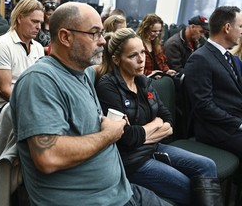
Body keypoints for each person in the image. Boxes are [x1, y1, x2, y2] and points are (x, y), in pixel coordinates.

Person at [10, 1, 172, 206]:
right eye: (95, 33)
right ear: (65, 37)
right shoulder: (40, 80)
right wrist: (109, 135)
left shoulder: (81, 71)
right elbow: (48, 157)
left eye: (102, 33)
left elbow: (99, 66)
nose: (103, 41)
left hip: (119, 191)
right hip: (87, 200)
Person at [95, 27, 222, 206]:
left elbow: (168, 120)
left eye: (142, 53)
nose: (141, 60)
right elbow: (126, 138)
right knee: (188, 187)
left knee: (208, 165)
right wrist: (155, 124)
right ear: (116, 60)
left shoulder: (143, 81)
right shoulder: (108, 86)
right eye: (132, 56)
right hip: (131, 161)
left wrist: (145, 131)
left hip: (153, 147)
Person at [184, 6, 242, 159]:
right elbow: (204, 106)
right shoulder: (200, 58)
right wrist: (238, 123)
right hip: (218, 131)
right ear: (227, 28)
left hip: (233, 123)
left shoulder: (230, 57)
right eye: (240, 26)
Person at [0, 0, 44, 126]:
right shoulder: (2, 45)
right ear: (19, 18)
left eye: (40, 22)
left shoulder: (38, 48)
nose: (39, 27)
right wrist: (35, 107)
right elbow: (5, 91)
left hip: (30, 105)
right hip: (5, 108)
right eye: (34, 21)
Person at [136, 14, 176, 78]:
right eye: (154, 31)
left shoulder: (156, 43)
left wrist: (166, 70)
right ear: (145, 29)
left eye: (159, 31)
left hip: (158, 76)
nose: (157, 34)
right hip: (144, 79)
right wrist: (151, 74)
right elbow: (134, 68)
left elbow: (162, 62)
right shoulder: (136, 44)